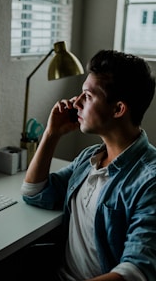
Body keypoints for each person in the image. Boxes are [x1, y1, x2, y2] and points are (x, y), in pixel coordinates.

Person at [21, 49, 156, 281]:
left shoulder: (149, 181)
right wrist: (52, 133)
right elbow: (35, 192)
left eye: (88, 96)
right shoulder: (90, 158)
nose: (76, 102)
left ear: (118, 109)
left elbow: (136, 272)